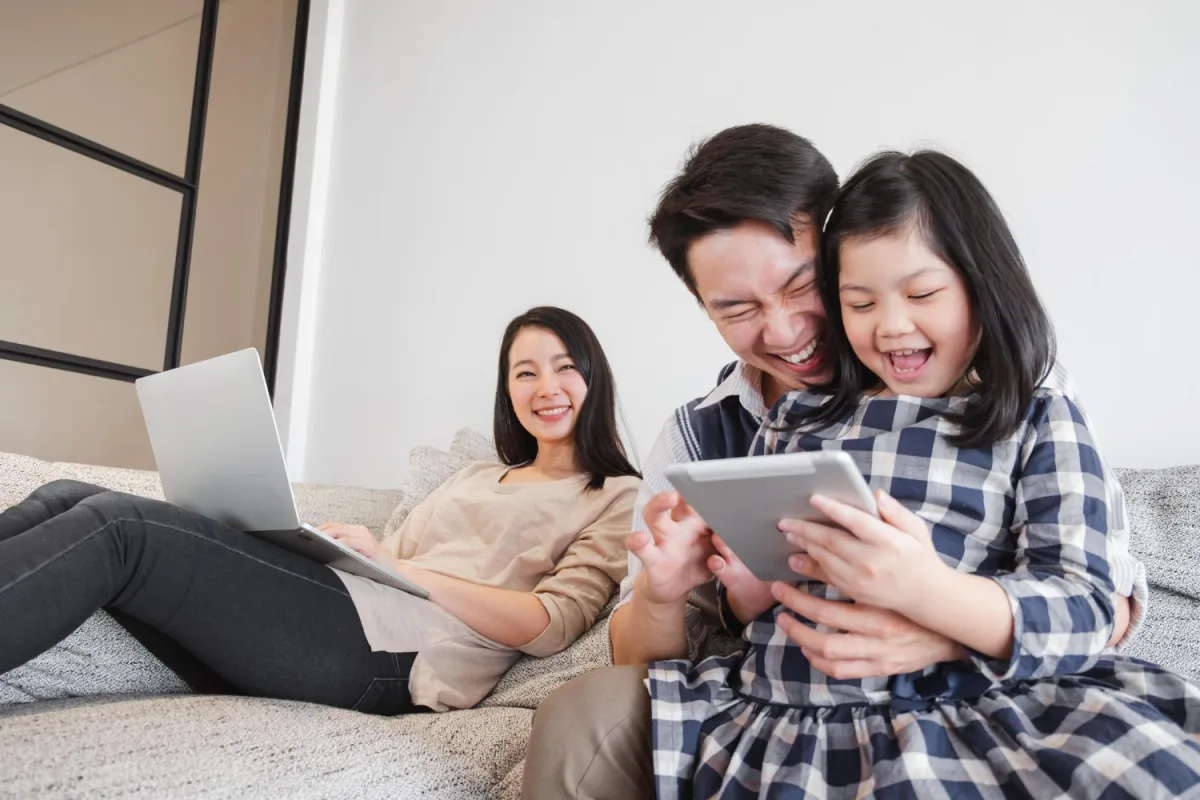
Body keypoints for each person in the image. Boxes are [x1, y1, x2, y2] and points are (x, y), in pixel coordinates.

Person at [521, 127, 1142, 799]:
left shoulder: (1028, 403)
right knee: (584, 714)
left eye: (801, 286)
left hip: (960, 688)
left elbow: (1098, 601)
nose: (786, 332)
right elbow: (674, 643)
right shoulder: (731, 431)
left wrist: (942, 629)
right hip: (779, 699)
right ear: (704, 309)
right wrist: (681, 590)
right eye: (738, 308)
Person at [0, 306, 641, 715]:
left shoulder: (616, 494)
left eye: (563, 367)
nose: (545, 387)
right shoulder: (474, 475)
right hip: (347, 605)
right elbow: (392, 565)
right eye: (524, 372)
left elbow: (554, 624)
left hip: (400, 658)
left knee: (121, 528)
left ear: (594, 378)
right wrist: (358, 551)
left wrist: (406, 571)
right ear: (507, 389)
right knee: (68, 495)